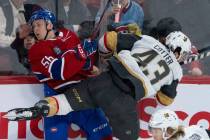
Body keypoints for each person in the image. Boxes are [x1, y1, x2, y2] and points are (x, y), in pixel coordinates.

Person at [5, 26, 192, 139]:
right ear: (180, 53)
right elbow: (165, 100)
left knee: (65, 102)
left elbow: (109, 39)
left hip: (103, 80)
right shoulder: (176, 71)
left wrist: (104, 56)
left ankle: (39, 109)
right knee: (130, 137)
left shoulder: (148, 40)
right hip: (124, 100)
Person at [9, 9, 113, 140]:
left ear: (49, 25)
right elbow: (60, 72)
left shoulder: (68, 34)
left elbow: (81, 64)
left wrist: (87, 60)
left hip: (81, 95)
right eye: (34, 26)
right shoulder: (36, 50)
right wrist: (80, 53)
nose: (35, 29)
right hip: (55, 100)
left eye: (39, 24)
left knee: (104, 136)